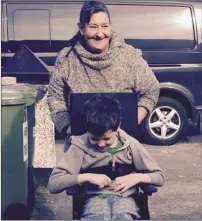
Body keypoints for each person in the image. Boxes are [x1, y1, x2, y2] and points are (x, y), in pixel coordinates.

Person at [47, 1, 160, 138]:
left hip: (121, 145)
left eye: (105, 26)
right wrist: (68, 129)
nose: (100, 34)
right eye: (93, 27)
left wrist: (130, 124)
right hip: (81, 146)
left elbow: (151, 90)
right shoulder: (67, 59)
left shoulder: (129, 56)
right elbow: (55, 97)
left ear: (110, 27)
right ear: (82, 29)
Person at [47, 94, 165, 220]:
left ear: (117, 126)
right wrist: (86, 177)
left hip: (125, 198)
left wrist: (136, 178)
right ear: (87, 130)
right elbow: (53, 184)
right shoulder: (79, 147)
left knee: (122, 216)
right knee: (99, 217)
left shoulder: (131, 145)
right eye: (94, 139)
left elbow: (159, 177)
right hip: (94, 198)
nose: (101, 144)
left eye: (107, 138)